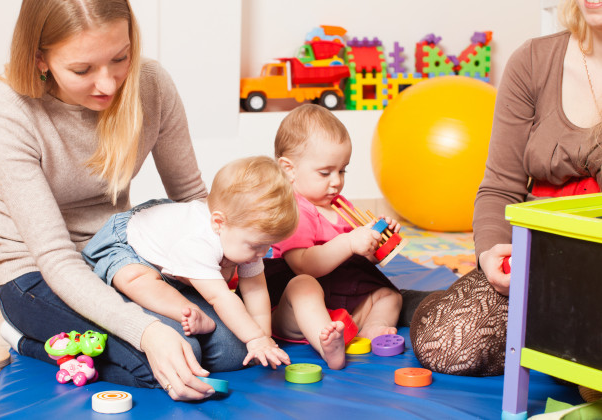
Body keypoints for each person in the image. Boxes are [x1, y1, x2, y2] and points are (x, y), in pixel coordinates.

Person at [0, 0, 246, 400]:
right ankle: (24, 338)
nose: (108, 84)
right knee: (174, 357)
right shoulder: (7, 110)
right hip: (35, 272)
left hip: (118, 254)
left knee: (232, 347)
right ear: (39, 58)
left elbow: (191, 197)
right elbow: (55, 257)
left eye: (120, 58)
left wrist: (221, 259)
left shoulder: (151, 84)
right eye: (82, 70)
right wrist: (146, 331)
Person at [410, 0, 602, 377]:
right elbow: (499, 187)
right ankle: (417, 303)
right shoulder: (532, 61)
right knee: (448, 343)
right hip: (541, 258)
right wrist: (490, 257)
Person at [82, 156, 294, 369]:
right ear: (219, 223)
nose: (262, 253)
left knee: (236, 349)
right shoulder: (198, 242)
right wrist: (254, 337)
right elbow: (220, 297)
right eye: (256, 245)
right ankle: (186, 309)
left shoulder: (248, 242)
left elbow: (256, 290)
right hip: (130, 246)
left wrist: (264, 338)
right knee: (134, 278)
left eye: (268, 245)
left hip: (173, 261)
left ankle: (190, 305)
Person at [264, 104, 403, 342]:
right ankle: (325, 337)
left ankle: (373, 327)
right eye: (325, 173)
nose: (337, 181)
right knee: (303, 290)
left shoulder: (340, 205)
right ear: (289, 170)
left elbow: (362, 257)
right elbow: (304, 266)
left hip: (342, 293)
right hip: (298, 303)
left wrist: (376, 242)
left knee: (390, 296)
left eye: (342, 171)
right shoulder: (293, 210)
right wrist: (349, 242)